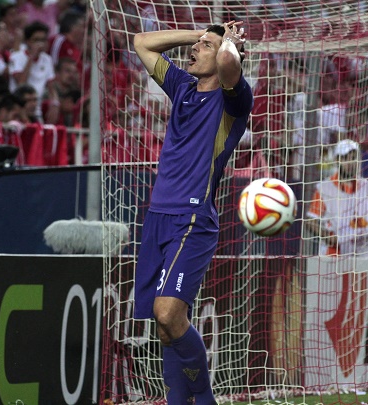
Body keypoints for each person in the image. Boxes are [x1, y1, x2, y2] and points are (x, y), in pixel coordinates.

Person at [132, 21, 251, 404]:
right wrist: (199, 36)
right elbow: (142, 43)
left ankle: (204, 399)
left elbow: (232, 66)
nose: (195, 50)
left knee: (168, 314)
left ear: (222, 56)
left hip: (193, 218)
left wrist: (227, 44)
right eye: (197, 45)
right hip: (157, 216)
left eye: (205, 47)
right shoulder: (182, 86)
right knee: (165, 327)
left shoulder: (234, 99)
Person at [306, 139, 368, 258]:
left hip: (361, 255)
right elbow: (311, 221)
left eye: (353, 158)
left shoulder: (366, 186)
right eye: (345, 158)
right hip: (333, 254)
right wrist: (326, 235)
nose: (350, 163)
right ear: (337, 160)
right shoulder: (324, 188)